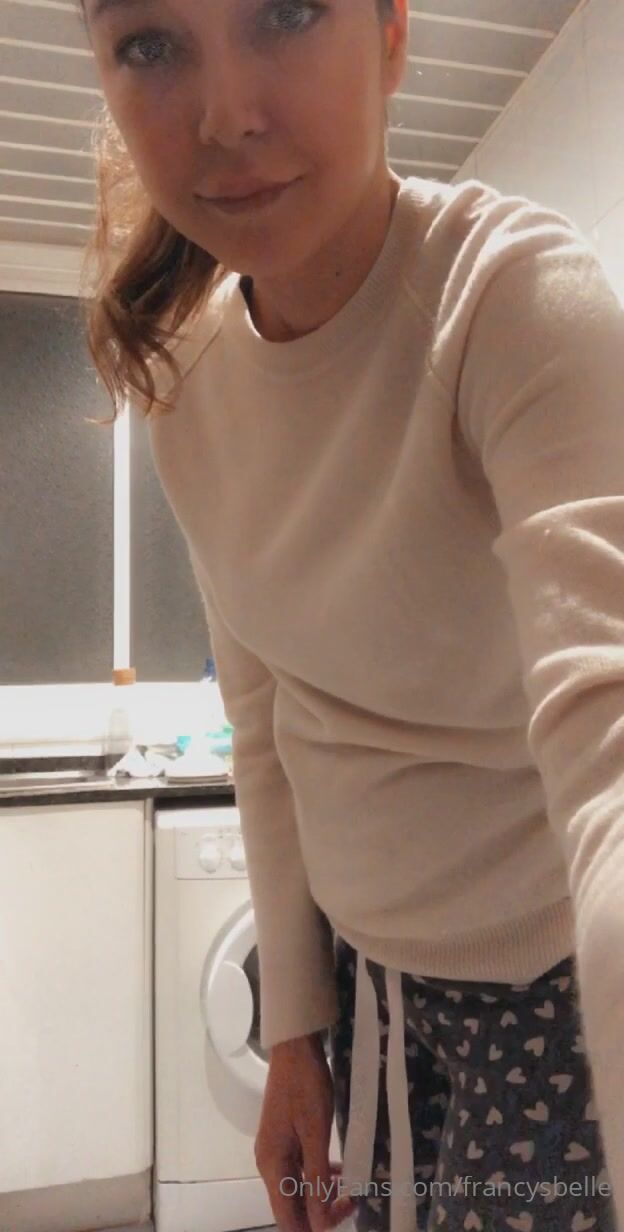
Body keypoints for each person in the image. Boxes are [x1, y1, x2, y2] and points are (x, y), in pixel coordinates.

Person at [79, 0, 624, 1229]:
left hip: (554, 995)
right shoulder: (189, 383)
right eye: (150, 43)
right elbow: (264, 718)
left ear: (391, 38)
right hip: (366, 981)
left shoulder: (510, 296)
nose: (227, 116)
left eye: (285, 11)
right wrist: (294, 1030)